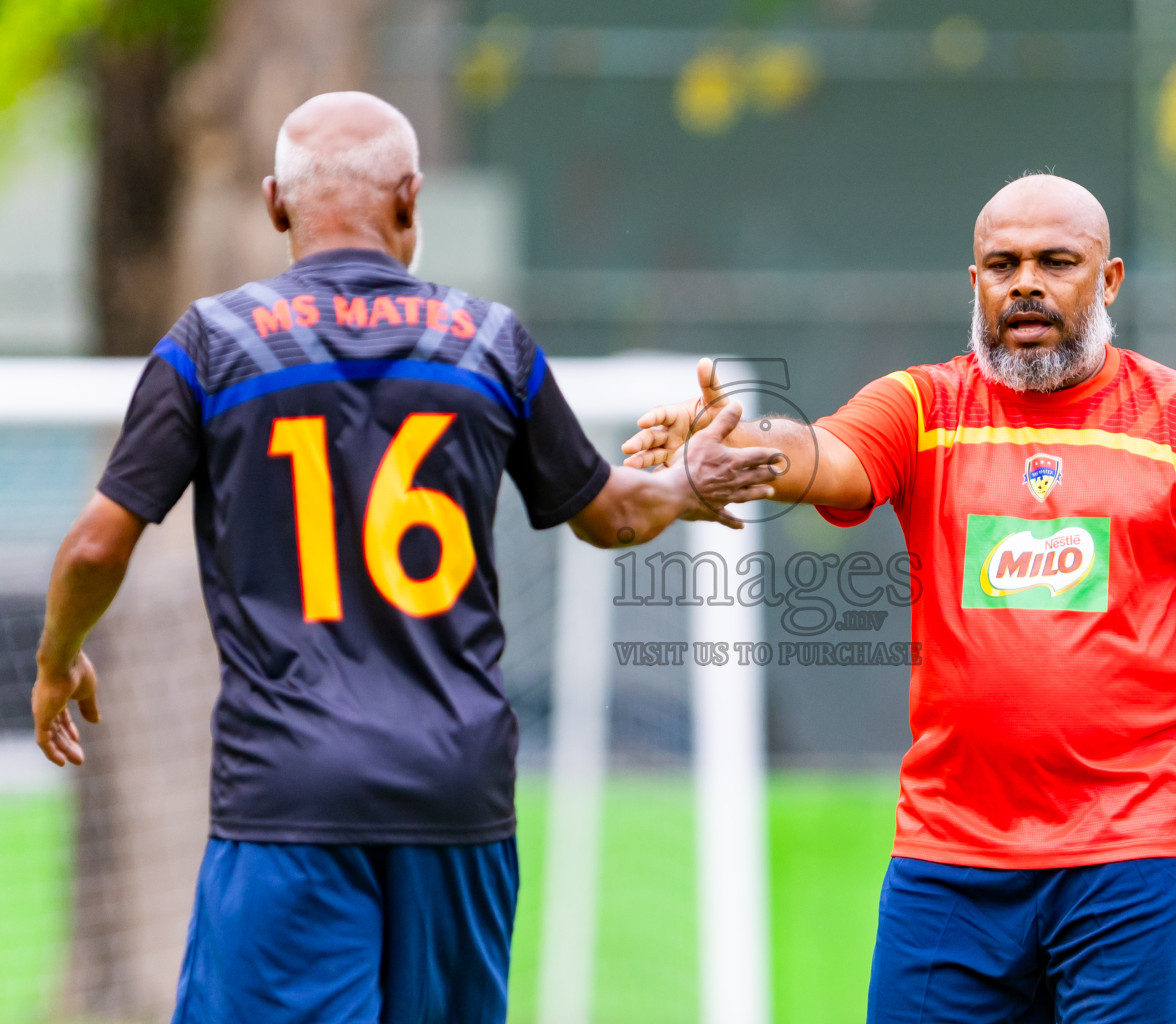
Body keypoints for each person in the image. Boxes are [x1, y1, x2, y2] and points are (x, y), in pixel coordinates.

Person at [31, 91, 777, 1024]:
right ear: (410, 201)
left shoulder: (210, 346)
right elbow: (610, 517)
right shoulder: (491, 343)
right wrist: (688, 485)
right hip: (455, 794)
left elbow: (97, 543)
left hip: (288, 797)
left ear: (274, 204)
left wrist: (59, 655)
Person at [622, 174, 1176, 1023]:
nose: (1026, 282)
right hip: (951, 856)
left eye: (1056, 261)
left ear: (1110, 280)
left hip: (1134, 852)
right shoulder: (922, 406)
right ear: (974, 282)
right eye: (1002, 263)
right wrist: (737, 441)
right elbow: (822, 453)